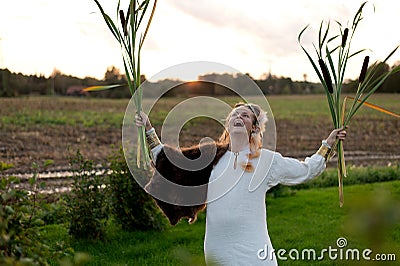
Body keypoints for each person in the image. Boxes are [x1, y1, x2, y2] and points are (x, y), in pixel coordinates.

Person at [135, 102, 347, 265]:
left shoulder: (266, 160)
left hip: (254, 250)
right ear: (228, 124)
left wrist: (328, 143)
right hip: (218, 249)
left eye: (245, 115)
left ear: (254, 127)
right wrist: (148, 128)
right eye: (234, 115)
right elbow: (173, 164)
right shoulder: (210, 156)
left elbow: (305, 170)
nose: (238, 116)